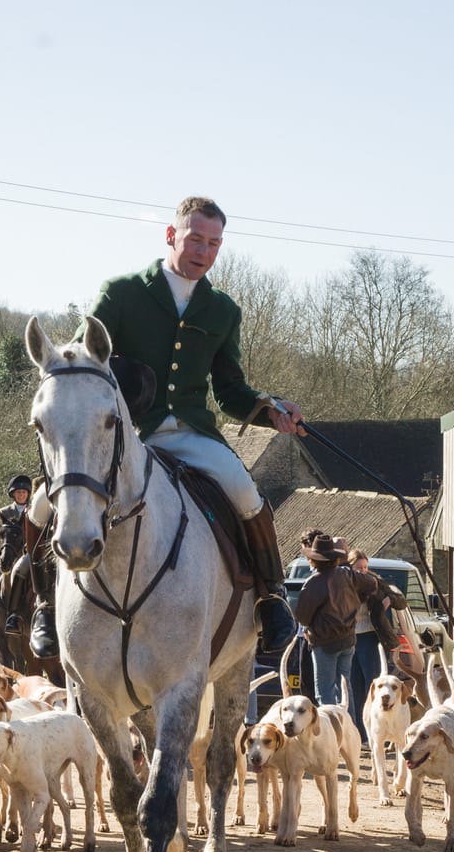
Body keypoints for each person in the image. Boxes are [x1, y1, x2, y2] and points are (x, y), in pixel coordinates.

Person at [27, 197, 307, 660]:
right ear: (171, 235)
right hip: (123, 433)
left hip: (190, 434)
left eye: (214, 243)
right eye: (196, 238)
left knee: (245, 494)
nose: (204, 250)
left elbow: (230, 389)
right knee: (41, 505)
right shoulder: (121, 293)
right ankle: (40, 604)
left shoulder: (223, 310)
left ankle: (271, 597)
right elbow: (77, 363)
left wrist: (269, 408)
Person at [293, 531, 363, 708]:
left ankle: (332, 734)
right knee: (345, 692)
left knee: (325, 694)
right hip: (348, 639)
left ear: (313, 560)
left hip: (325, 644)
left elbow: (302, 617)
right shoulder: (345, 574)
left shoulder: (314, 582)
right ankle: (349, 730)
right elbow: (372, 583)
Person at [345, 548, 406, 733]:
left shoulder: (374, 582)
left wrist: (389, 600)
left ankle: (374, 727)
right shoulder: (344, 583)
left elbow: (401, 600)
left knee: (371, 683)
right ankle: (358, 730)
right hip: (349, 638)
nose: (362, 571)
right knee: (352, 683)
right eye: (358, 567)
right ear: (349, 567)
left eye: (365, 567)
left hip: (370, 636)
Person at [0, 474, 33, 612]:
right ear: (13, 494)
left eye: (23, 492)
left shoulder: (33, 512)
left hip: (26, 553)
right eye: (18, 492)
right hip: (7, 551)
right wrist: (3, 549)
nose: (21, 495)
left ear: (27, 494)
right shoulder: (4, 512)